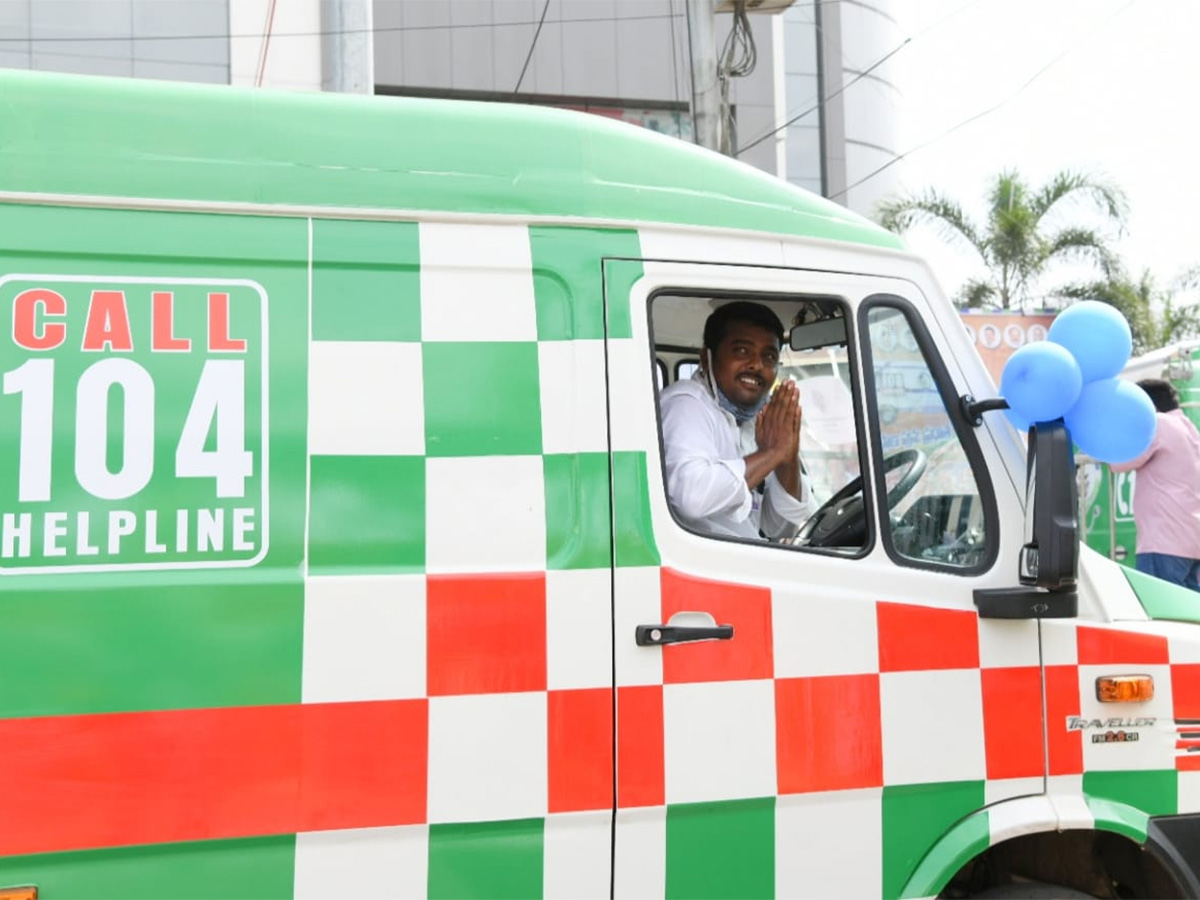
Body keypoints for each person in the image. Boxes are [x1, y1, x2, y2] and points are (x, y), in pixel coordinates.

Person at [660, 300, 814, 541]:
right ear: (706, 357)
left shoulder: (757, 422)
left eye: (769, 356)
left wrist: (787, 456)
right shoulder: (686, 402)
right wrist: (773, 453)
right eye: (741, 351)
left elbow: (781, 527)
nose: (757, 365)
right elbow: (693, 497)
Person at [1110, 378, 1200, 591]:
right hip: (1191, 542)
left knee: (1162, 615)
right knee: (1190, 617)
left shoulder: (1158, 423)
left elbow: (1119, 463)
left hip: (1163, 541)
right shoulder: (1189, 428)